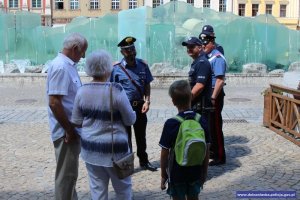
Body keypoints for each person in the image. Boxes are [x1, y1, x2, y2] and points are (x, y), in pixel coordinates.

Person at [71, 50, 136, 200]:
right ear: (108, 67)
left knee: (98, 192)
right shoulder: (116, 89)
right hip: (117, 152)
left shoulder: (81, 91)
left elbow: (76, 121)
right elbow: (130, 120)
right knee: (123, 191)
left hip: (91, 150)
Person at [46, 32, 88, 200]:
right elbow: (55, 102)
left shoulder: (67, 65)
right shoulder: (61, 67)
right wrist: (69, 130)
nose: (83, 55)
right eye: (83, 51)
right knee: (66, 176)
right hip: (66, 132)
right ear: (75, 48)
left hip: (69, 130)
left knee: (69, 175)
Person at [111, 36, 157, 171]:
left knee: (141, 137)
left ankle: (144, 161)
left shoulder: (143, 65)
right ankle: (127, 165)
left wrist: (147, 101)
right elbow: (111, 89)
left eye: (132, 49)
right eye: (127, 51)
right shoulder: (116, 69)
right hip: (123, 108)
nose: (131, 52)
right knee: (126, 138)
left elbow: (147, 84)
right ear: (122, 53)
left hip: (140, 106)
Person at [159, 80, 210, 200]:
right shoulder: (201, 120)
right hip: (195, 172)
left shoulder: (171, 123)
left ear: (173, 102)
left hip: (177, 173)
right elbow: (206, 150)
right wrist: (204, 173)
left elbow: (164, 153)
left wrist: (163, 174)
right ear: (191, 97)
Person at [200, 27, 227, 166]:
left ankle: (220, 156)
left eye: (205, 43)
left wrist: (213, 98)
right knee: (209, 125)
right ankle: (212, 151)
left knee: (216, 126)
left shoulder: (217, 58)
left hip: (214, 95)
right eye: (202, 43)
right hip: (208, 94)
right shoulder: (208, 56)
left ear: (212, 42)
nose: (203, 46)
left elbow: (220, 80)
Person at [182, 36, 212, 135]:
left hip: (200, 108)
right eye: (187, 47)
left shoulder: (202, 62)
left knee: (199, 135)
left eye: (191, 46)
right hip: (196, 105)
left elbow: (199, 85)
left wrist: (186, 101)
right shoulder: (197, 62)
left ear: (200, 47)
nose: (188, 49)